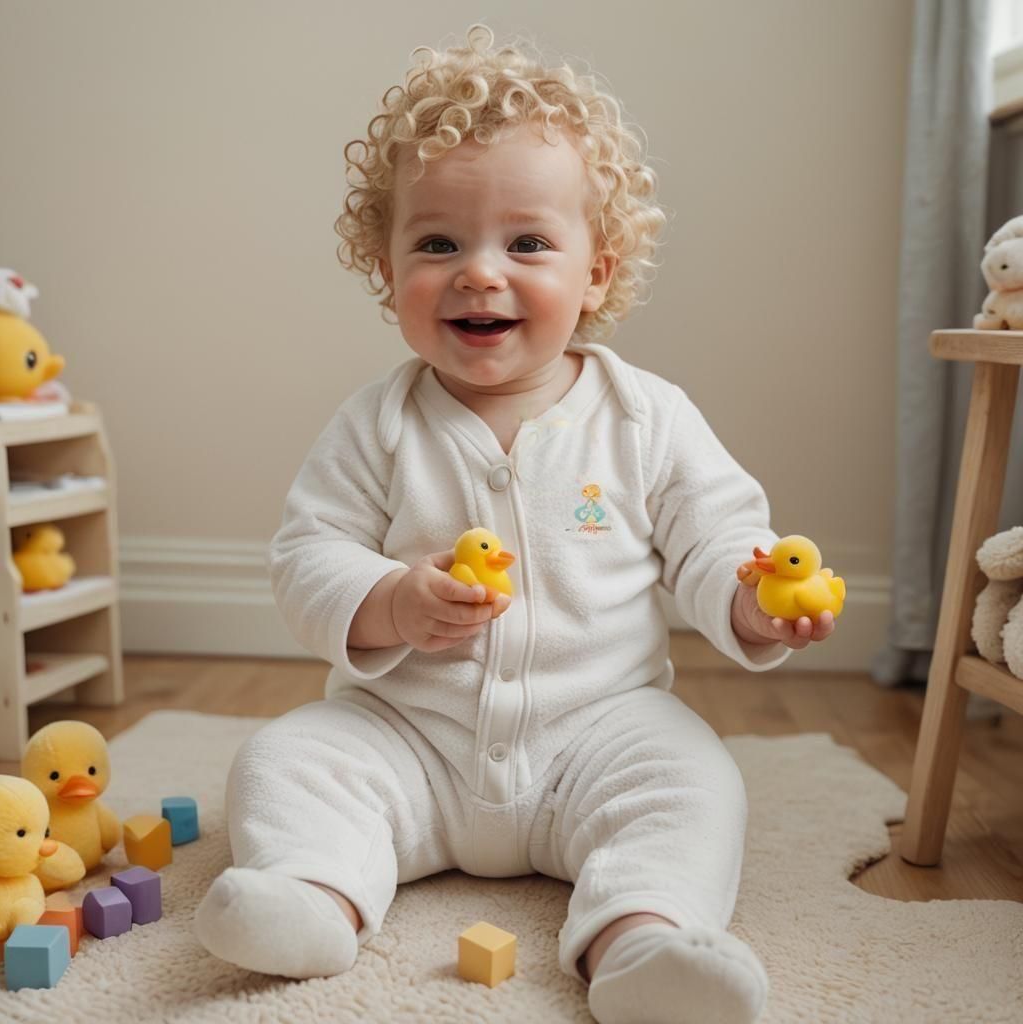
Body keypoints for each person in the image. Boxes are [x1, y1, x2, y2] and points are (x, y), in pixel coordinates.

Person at [194, 23, 835, 1024]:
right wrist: (389, 600)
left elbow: (714, 537)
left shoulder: (645, 416)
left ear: (597, 272)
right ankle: (312, 895)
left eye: (527, 242)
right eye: (438, 242)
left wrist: (751, 603)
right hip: (410, 735)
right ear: (384, 263)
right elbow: (305, 555)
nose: (480, 272)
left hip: (597, 736)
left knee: (695, 779)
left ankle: (642, 941)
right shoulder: (377, 423)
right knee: (284, 759)